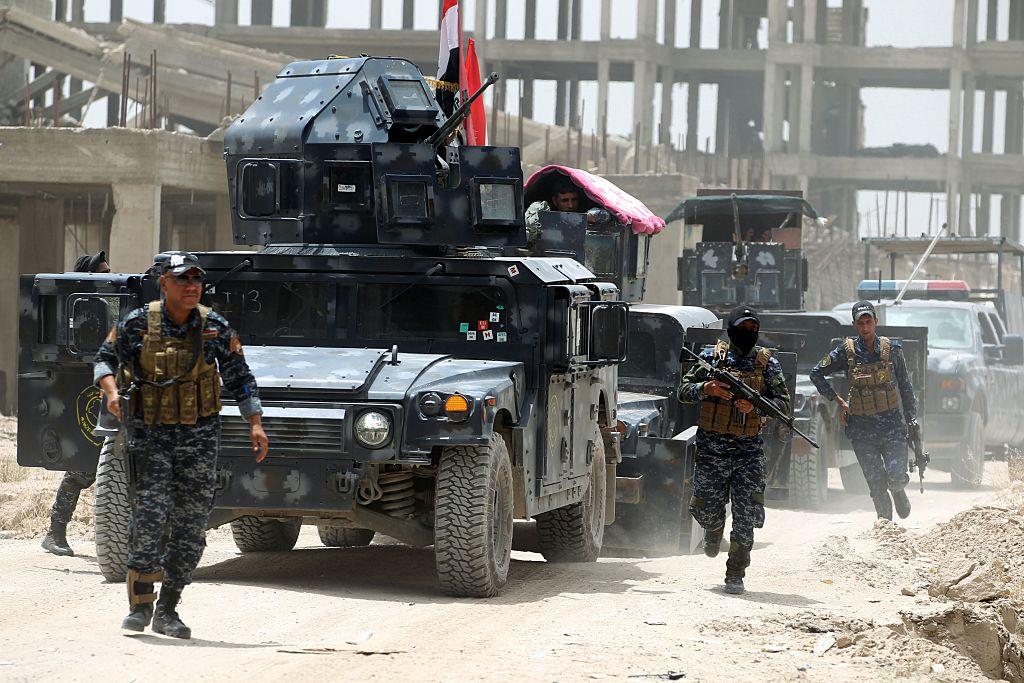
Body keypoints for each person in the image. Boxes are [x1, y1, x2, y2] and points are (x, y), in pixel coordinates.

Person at [94, 251, 268, 638]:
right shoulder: (138, 324)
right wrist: (110, 392)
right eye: (182, 280)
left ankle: (169, 608)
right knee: (149, 519)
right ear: (164, 284)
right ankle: (140, 605)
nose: (191, 287)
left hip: (199, 439)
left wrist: (255, 423)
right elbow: (104, 360)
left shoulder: (215, 328)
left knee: (191, 528)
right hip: (151, 438)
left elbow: (241, 377)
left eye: (196, 280)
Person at [678, 306, 790, 595]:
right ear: (731, 328)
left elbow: (784, 405)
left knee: (746, 515)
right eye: (744, 326)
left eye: (754, 327)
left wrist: (755, 405)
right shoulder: (711, 357)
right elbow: (683, 390)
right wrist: (708, 387)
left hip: (748, 452)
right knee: (703, 509)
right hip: (712, 449)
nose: (749, 332)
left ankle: (735, 573)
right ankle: (713, 530)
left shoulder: (767, 363)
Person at [810, 300, 919, 521]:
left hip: (892, 427)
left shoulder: (893, 351)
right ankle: (886, 529)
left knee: (896, 477)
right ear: (854, 325)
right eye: (861, 323)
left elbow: (906, 387)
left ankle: (898, 491)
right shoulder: (846, 352)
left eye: (869, 322)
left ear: (876, 323)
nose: (865, 327)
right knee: (877, 484)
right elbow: (816, 373)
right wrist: (838, 400)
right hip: (862, 430)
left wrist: (912, 419)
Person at [41, 251, 112, 557]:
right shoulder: (72, 308)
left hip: (101, 388)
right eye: (103, 272)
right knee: (82, 466)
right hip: (77, 390)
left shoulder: (102, 306)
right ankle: (54, 533)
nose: (109, 275)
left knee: (99, 465)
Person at [524, 177, 610, 251]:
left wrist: (582, 218)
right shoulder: (542, 212)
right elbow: (529, 229)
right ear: (555, 201)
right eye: (564, 200)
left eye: (574, 200)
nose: (570, 205)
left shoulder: (586, 212)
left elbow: (605, 215)